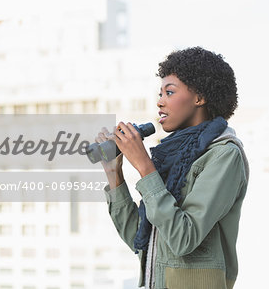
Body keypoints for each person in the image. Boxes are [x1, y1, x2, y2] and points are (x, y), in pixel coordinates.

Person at [95, 46, 250, 289]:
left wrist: (144, 166)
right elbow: (140, 240)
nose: (160, 102)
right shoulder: (171, 156)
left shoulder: (224, 155)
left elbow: (183, 239)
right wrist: (114, 172)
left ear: (199, 98)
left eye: (169, 92)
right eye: (160, 94)